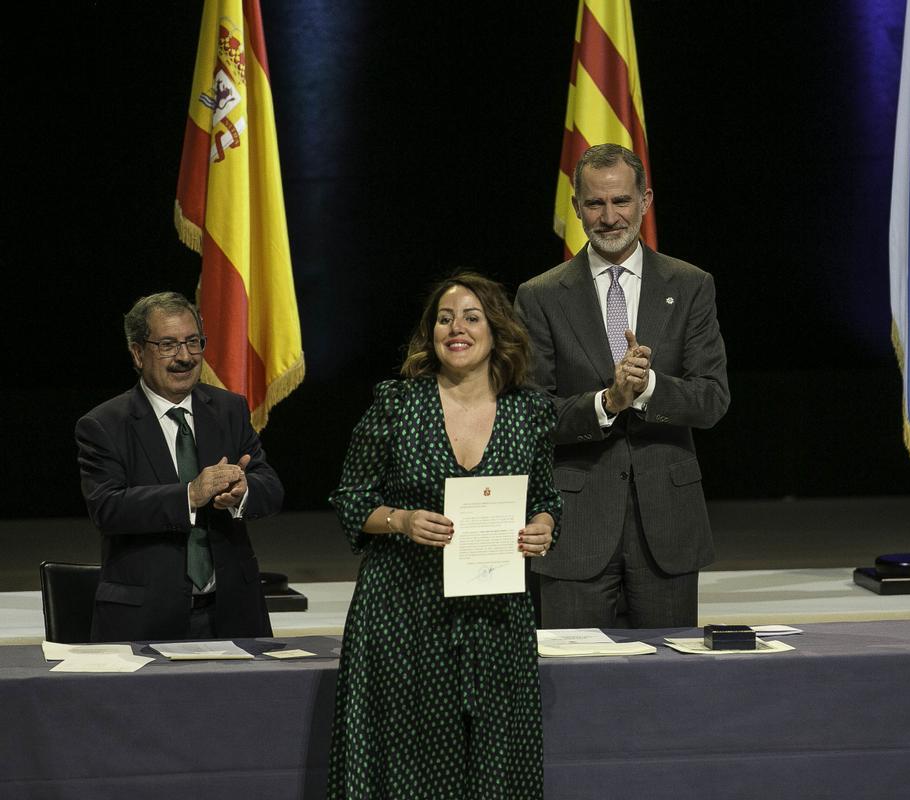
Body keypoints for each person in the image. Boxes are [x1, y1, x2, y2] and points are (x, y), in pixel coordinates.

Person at [327, 272, 560, 799]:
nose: (457, 328)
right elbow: (350, 499)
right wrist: (402, 521)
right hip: (404, 614)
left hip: (496, 618)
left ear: (497, 330)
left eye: (472, 317)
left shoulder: (531, 412)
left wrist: (543, 528)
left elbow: (546, 499)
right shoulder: (396, 404)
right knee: (409, 760)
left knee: (496, 761)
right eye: (445, 317)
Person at [515, 143, 730, 629]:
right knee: (575, 688)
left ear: (645, 201)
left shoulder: (691, 284)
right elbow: (530, 413)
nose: (609, 217)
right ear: (576, 208)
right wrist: (607, 402)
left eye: (621, 201)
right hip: (574, 526)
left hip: (668, 528)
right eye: (595, 203)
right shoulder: (541, 295)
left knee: (667, 687)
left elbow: (713, 399)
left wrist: (649, 386)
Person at [75, 291, 283, 642]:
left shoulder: (229, 409)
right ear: (138, 353)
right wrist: (189, 494)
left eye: (193, 342)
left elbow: (271, 487)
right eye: (168, 345)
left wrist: (243, 493)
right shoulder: (104, 424)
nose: (184, 357)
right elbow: (107, 508)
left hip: (233, 612)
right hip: (145, 617)